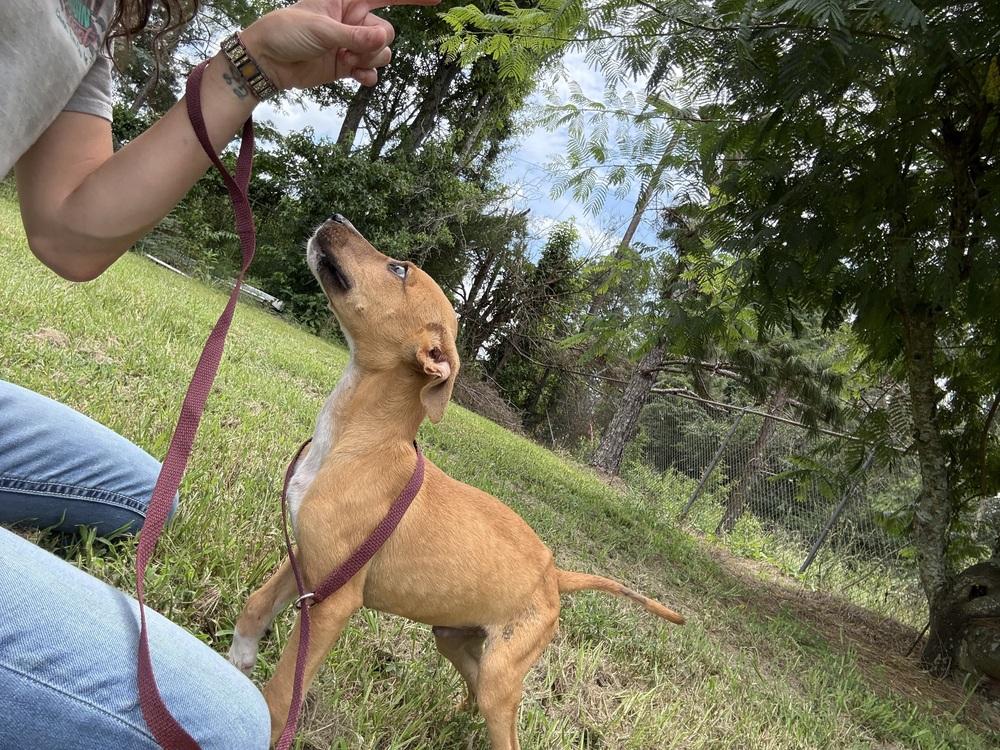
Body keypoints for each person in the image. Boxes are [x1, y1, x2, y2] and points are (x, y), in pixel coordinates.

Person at [0, 1, 436, 747]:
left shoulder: (97, 21)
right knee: (229, 727)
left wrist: (254, 62)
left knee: (149, 499)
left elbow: (70, 234)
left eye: (394, 269)